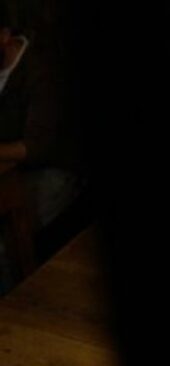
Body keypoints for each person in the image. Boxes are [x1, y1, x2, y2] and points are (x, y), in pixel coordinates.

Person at [0, 18, 88, 293]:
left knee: (5, 244)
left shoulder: (40, 68)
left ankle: (17, 306)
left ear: (4, 35)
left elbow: (38, 147)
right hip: (12, 168)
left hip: (54, 170)